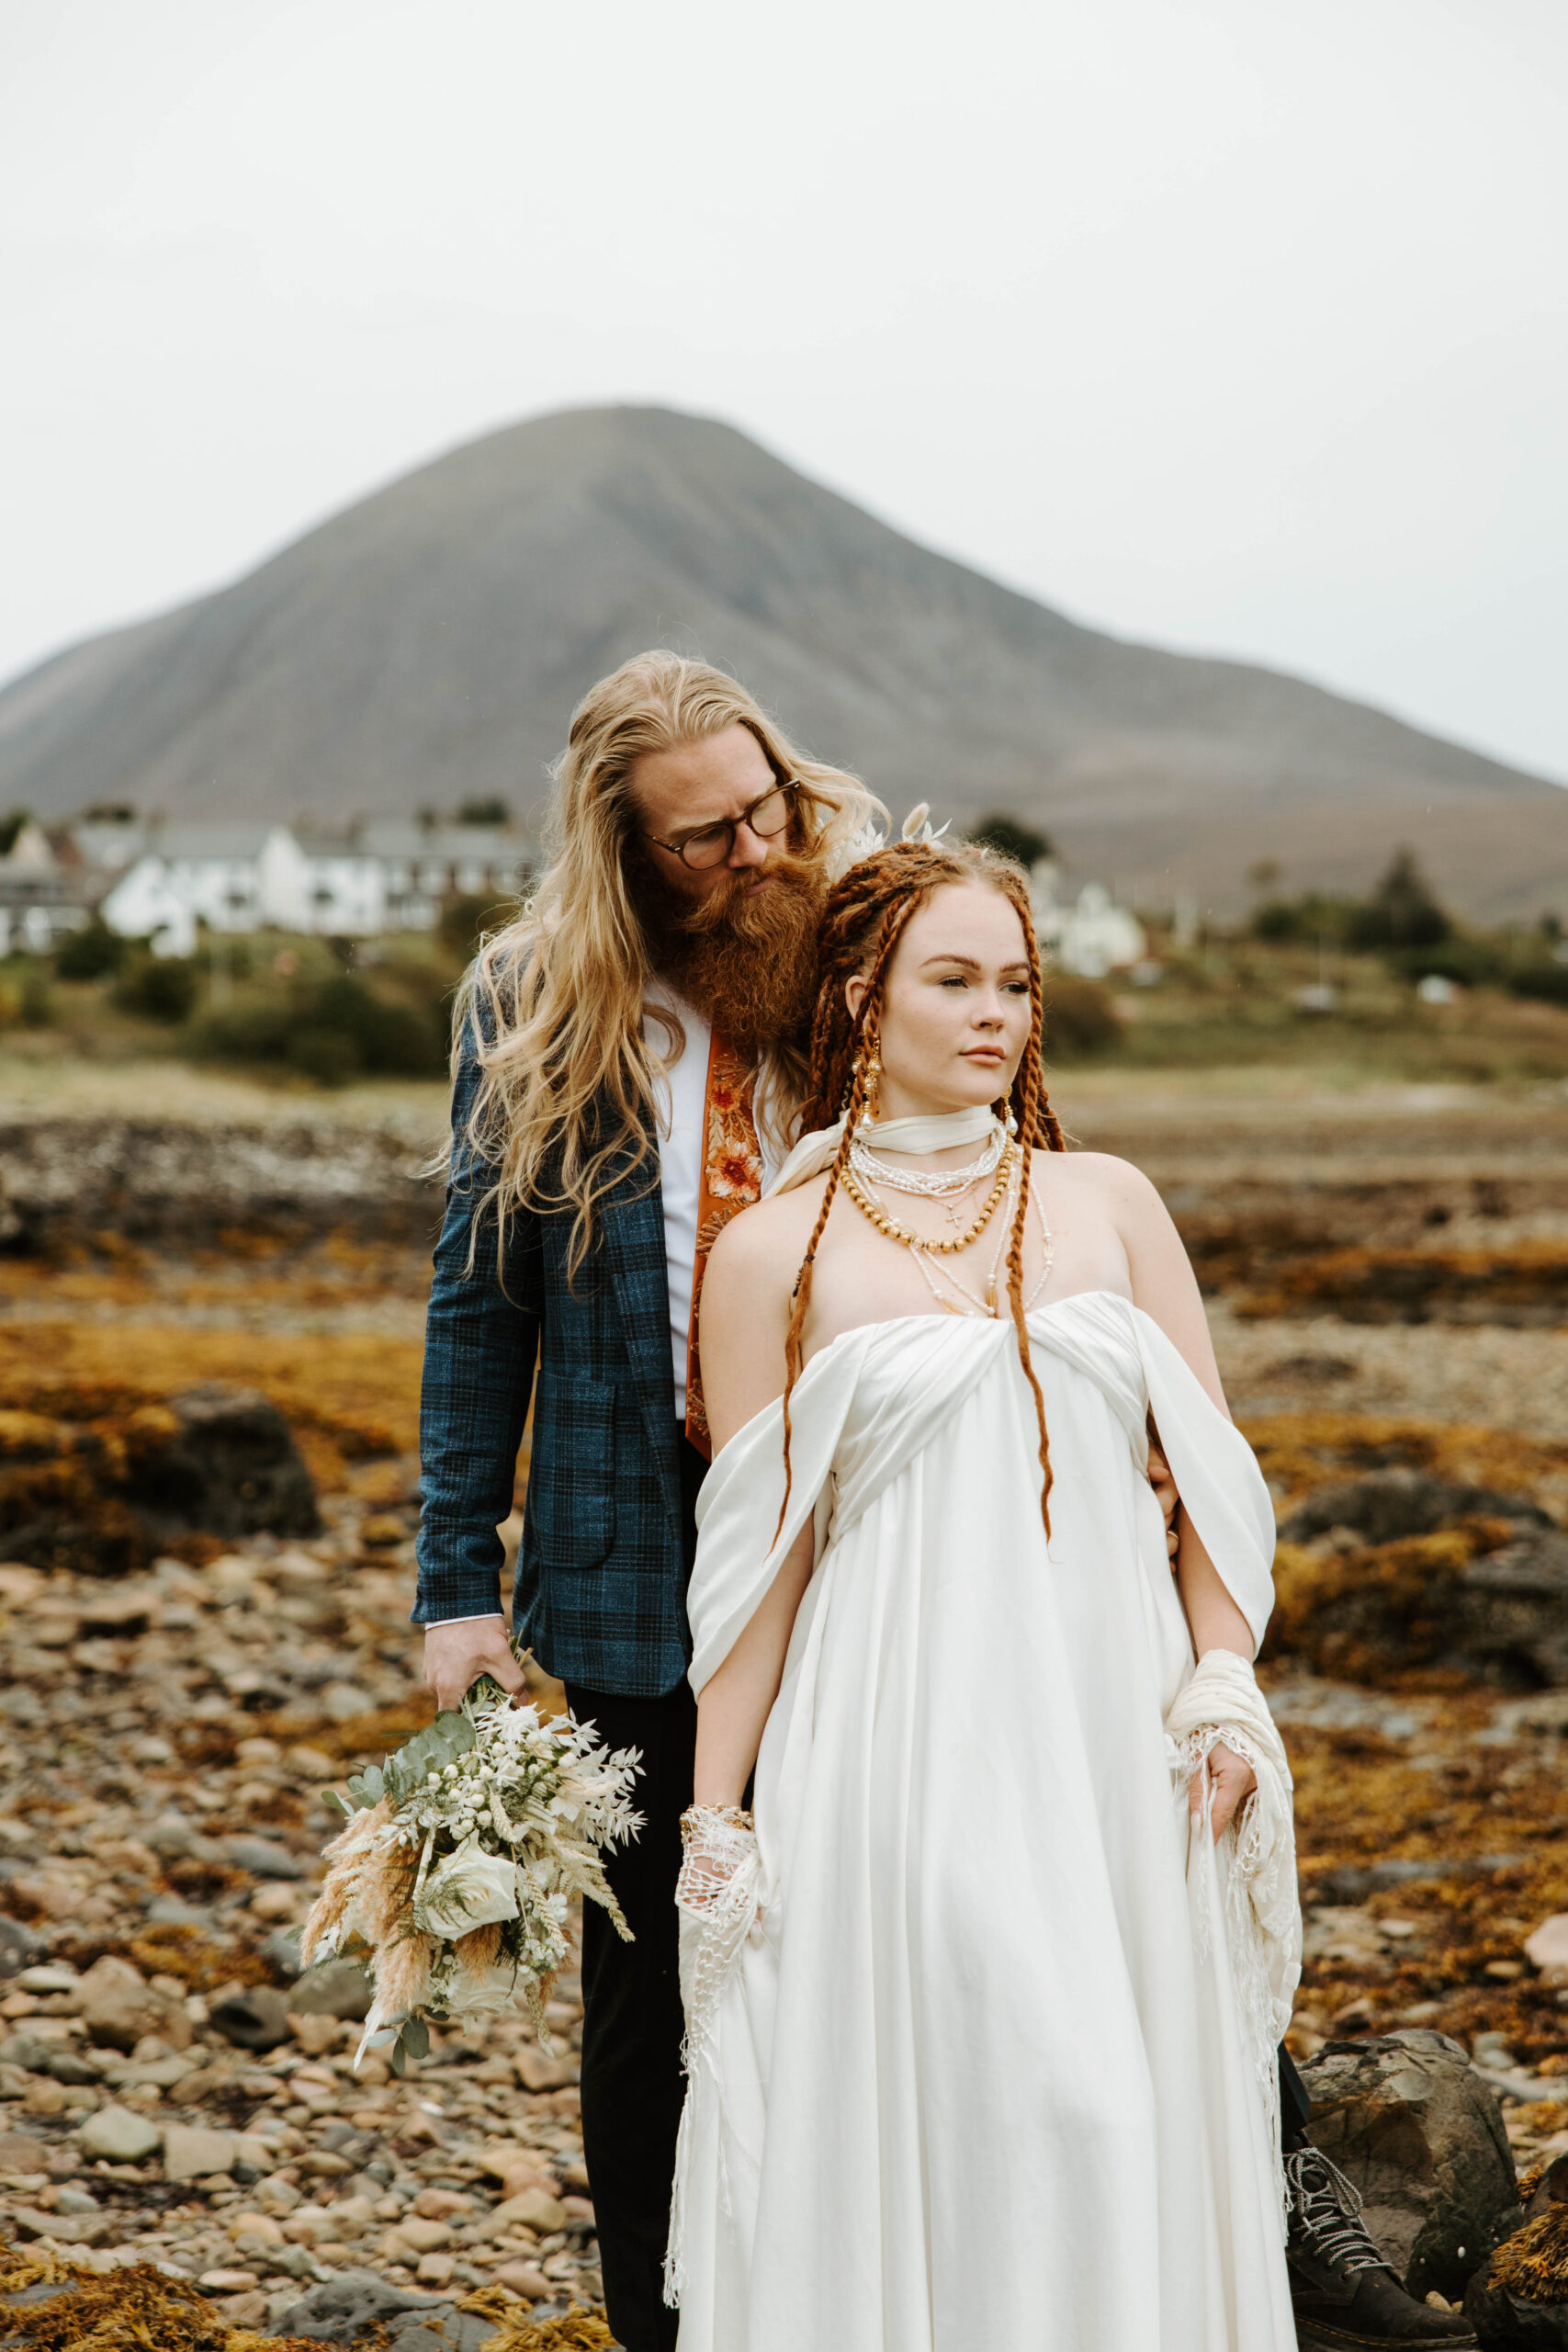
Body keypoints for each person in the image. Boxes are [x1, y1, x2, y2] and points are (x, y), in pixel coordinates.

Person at [665, 837, 1478, 2351]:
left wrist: (1223, 1687)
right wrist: (719, 1824)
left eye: (1019, 983)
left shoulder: (1107, 1203)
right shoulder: (770, 1252)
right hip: (893, 1740)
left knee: (1120, 2113)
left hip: (1115, 1740)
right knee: (992, 2106)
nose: (998, 1014)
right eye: (956, 980)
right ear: (858, 999)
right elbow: (755, 1572)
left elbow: (1215, 1499)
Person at [412, 650, 885, 2351]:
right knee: (651, 2003)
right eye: (699, 841)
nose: (749, 855)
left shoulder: (867, 954)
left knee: (896, 1921)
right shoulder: (535, 998)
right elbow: (481, 1307)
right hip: (630, 1571)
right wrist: (454, 1579)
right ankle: (665, 2327)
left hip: (866, 1546)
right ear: (618, 853)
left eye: (764, 811)